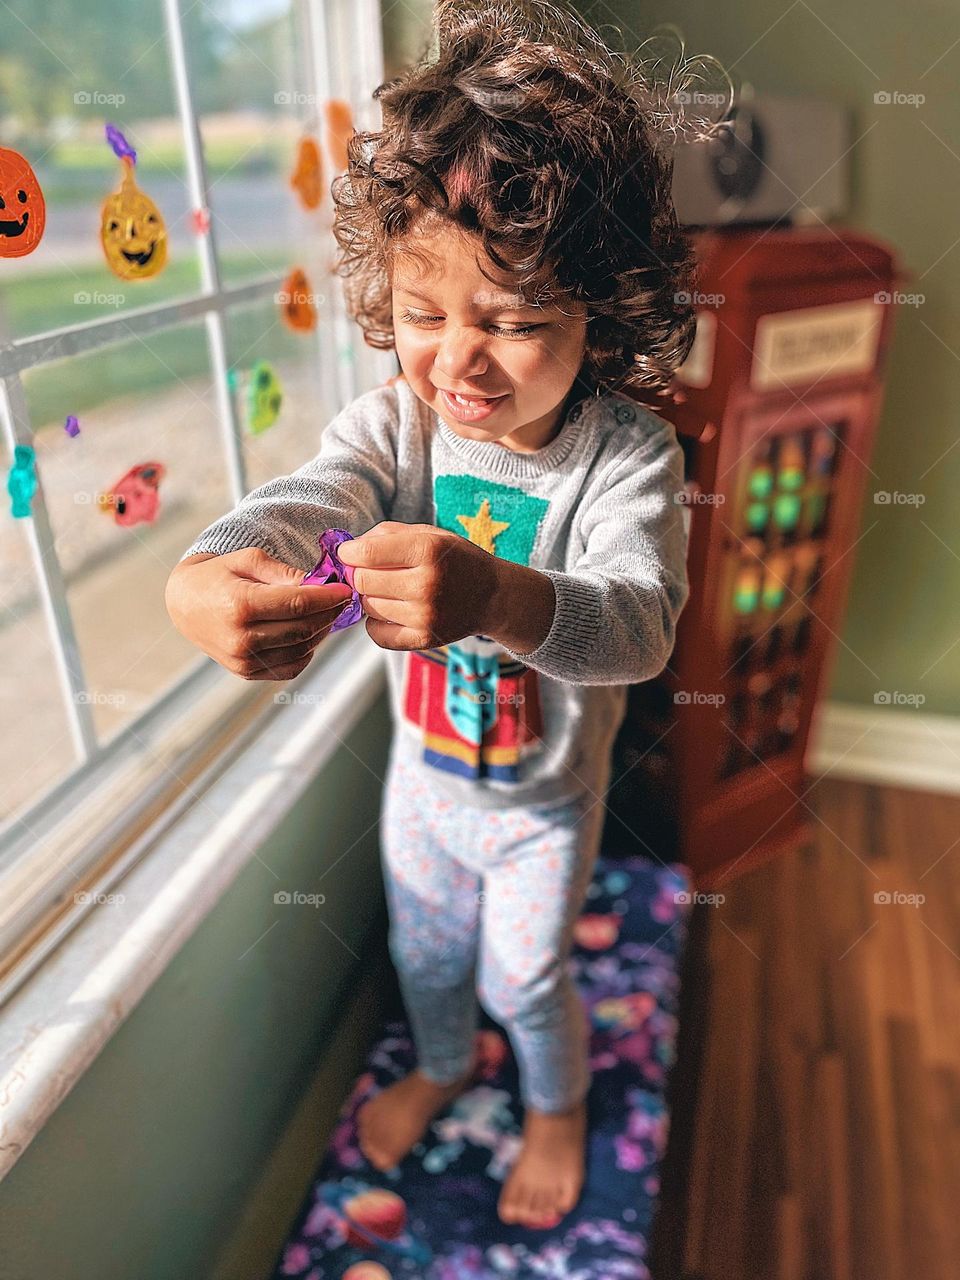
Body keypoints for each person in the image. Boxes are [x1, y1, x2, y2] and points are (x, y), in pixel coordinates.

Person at [165, 0, 701, 1230]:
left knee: (528, 973)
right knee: (426, 963)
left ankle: (557, 1105)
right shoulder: (398, 423)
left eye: (514, 321)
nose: (459, 360)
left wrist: (499, 593)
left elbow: (639, 625)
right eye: (424, 313)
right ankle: (446, 1063)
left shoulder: (627, 459)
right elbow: (313, 496)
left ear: (601, 316)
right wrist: (213, 565)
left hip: (539, 807)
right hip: (423, 785)